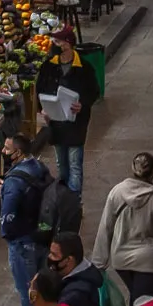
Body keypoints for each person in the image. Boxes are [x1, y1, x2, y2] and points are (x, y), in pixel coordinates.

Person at [92, 151, 153, 302]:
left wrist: (98, 263)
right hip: (150, 262)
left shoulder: (117, 192)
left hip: (121, 259)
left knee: (138, 298)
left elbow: (105, 228)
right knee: (141, 304)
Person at [0, 133, 53, 306]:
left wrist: (8, 234)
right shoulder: (40, 167)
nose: (3, 152)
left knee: (28, 293)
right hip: (42, 235)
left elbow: (7, 216)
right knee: (43, 288)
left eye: (7, 149)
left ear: (17, 153)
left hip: (22, 242)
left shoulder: (14, 181)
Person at [35, 28, 100, 195]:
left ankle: (74, 203)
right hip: (56, 122)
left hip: (75, 123)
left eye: (58, 42)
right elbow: (40, 89)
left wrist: (83, 104)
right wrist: (42, 109)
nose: (54, 46)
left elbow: (94, 91)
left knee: (74, 163)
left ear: (68, 44)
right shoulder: (48, 66)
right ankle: (63, 198)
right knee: (61, 164)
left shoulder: (84, 67)